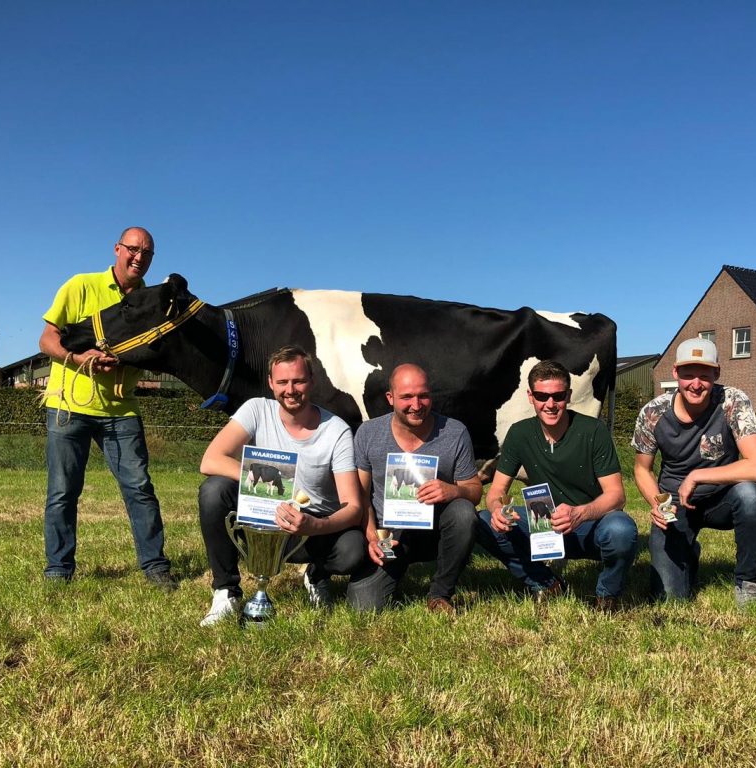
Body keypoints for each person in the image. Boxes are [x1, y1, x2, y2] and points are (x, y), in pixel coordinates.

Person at [39, 226, 174, 590]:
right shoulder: (80, 286)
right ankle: (58, 570)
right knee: (63, 491)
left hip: (120, 410)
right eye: (133, 249)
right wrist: (77, 357)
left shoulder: (151, 302)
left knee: (139, 487)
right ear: (117, 249)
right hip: (69, 406)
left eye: (147, 253)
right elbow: (47, 339)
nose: (139, 257)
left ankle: (155, 567)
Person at [197, 346, 366, 625]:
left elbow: (354, 507)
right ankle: (226, 591)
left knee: (353, 550)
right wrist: (260, 481)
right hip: (262, 515)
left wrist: (314, 525)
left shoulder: (337, 430)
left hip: (311, 527)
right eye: (283, 382)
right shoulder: (256, 409)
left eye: (298, 381)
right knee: (214, 490)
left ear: (312, 381)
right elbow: (210, 460)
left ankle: (317, 574)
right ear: (270, 383)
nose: (290, 390)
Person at [477, 360, 639, 610]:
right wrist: (497, 508)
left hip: (590, 523)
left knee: (621, 530)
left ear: (569, 395)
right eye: (542, 396)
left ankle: (607, 595)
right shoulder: (519, 433)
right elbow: (497, 490)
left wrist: (580, 513)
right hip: (543, 524)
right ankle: (545, 582)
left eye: (558, 396)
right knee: (483, 521)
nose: (550, 404)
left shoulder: (593, 430)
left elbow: (617, 496)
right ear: (531, 397)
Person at [632, 337, 756, 607]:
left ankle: (747, 581)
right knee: (669, 600)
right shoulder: (653, 412)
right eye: (688, 375)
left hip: (723, 498)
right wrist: (657, 504)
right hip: (675, 503)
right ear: (675, 373)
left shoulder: (733, 401)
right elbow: (641, 469)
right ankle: (688, 552)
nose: (696, 384)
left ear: (717, 374)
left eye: (704, 376)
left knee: (752, 496)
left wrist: (696, 476)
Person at [348, 364, 482, 613]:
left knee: (464, 512)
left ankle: (440, 593)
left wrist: (453, 491)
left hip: (435, 530)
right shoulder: (368, 433)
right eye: (407, 397)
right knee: (363, 606)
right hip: (389, 534)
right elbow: (361, 495)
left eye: (423, 396)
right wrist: (372, 536)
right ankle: (392, 572)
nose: (416, 405)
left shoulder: (454, 432)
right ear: (390, 398)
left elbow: (474, 490)